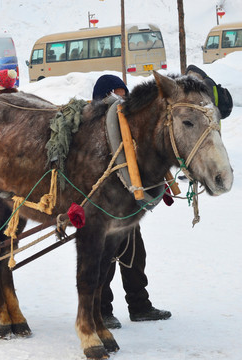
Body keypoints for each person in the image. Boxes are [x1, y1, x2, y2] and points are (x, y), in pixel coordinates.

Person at [92, 74, 171, 329]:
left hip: (128, 208)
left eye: (123, 94)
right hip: (102, 211)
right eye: (114, 94)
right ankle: (102, 310)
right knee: (104, 261)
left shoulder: (131, 128)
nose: (120, 99)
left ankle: (140, 306)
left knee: (136, 257)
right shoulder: (94, 132)